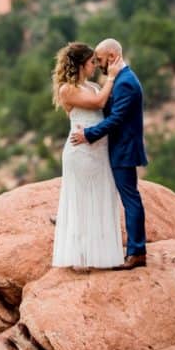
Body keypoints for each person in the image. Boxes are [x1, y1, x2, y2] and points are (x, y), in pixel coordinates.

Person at [70, 38, 148, 270]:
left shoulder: (125, 83)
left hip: (123, 149)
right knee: (126, 197)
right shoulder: (123, 79)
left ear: (112, 57)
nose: (99, 64)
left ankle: (136, 252)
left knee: (130, 200)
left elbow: (116, 119)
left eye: (101, 60)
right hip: (118, 147)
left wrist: (89, 134)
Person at [50, 42, 124, 269]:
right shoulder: (67, 89)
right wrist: (111, 77)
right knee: (82, 200)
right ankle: (81, 256)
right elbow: (99, 102)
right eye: (92, 62)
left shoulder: (92, 85)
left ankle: (101, 255)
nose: (95, 65)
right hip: (80, 152)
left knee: (101, 197)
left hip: (99, 152)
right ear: (81, 64)